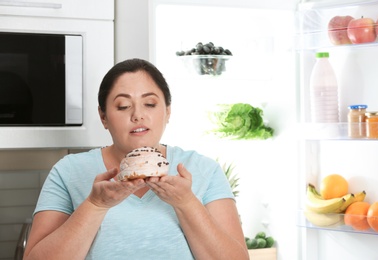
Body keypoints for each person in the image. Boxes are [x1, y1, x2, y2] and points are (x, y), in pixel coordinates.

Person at [23, 58, 249, 260]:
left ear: (168, 112)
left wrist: (187, 204)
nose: (138, 115)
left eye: (150, 104)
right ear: (103, 117)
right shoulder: (69, 171)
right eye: (123, 106)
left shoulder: (203, 169)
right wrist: (95, 205)